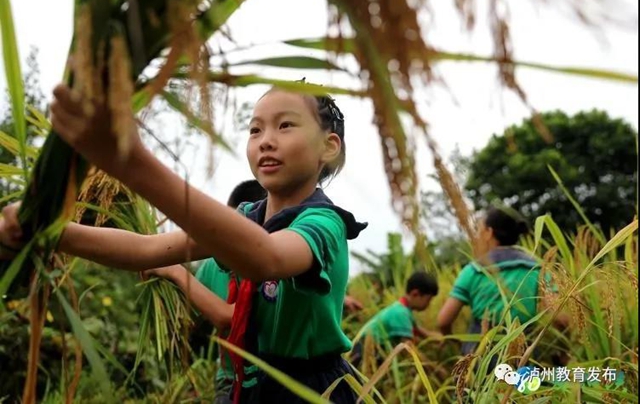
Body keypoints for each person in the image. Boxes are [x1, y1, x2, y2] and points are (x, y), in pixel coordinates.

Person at [0, 84, 368, 403]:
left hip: (308, 392)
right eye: (255, 130)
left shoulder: (324, 223)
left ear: (329, 146)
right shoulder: (246, 217)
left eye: (285, 125)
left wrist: (132, 162)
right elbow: (145, 249)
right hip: (248, 386)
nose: (266, 140)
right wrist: (49, 231)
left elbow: (266, 258)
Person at [145, 179, 266, 404]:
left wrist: (176, 272)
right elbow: (189, 314)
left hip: (275, 378)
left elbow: (230, 319)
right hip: (231, 378)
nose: (232, 241)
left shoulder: (271, 264)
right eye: (230, 227)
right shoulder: (212, 265)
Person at [436, 206, 569, 357]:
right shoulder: (538, 269)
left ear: (489, 233)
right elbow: (561, 319)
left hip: (480, 354)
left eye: (479, 230)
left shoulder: (473, 270)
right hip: (524, 354)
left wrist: (455, 343)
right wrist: (563, 351)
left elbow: (443, 321)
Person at [351, 272, 439, 368]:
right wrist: (436, 369)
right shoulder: (400, 313)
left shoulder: (402, 309)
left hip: (369, 348)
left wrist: (443, 338)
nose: (429, 304)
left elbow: (421, 332)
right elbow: (408, 350)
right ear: (415, 294)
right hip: (364, 349)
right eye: (428, 300)